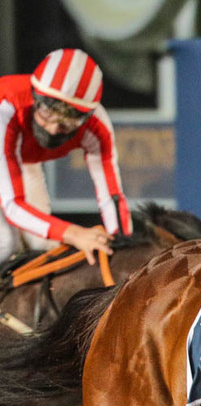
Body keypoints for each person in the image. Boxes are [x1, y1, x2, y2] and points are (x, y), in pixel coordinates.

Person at [0, 48, 133, 266]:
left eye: (69, 119)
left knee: (44, 244)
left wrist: (124, 245)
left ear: (87, 116)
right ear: (34, 96)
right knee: (5, 243)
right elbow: (12, 205)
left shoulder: (97, 126)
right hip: (6, 152)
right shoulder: (7, 106)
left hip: (18, 158)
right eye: (48, 111)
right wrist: (74, 233)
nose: (53, 128)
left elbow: (112, 195)